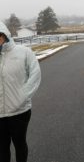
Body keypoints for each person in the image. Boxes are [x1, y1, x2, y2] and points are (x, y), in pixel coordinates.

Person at [0, 21, 41, 162]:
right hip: (0, 114)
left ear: (5, 35)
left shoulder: (23, 52)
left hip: (19, 112)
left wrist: (23, 96)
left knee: (20, 146)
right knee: (2, 149)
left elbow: (35, 74)